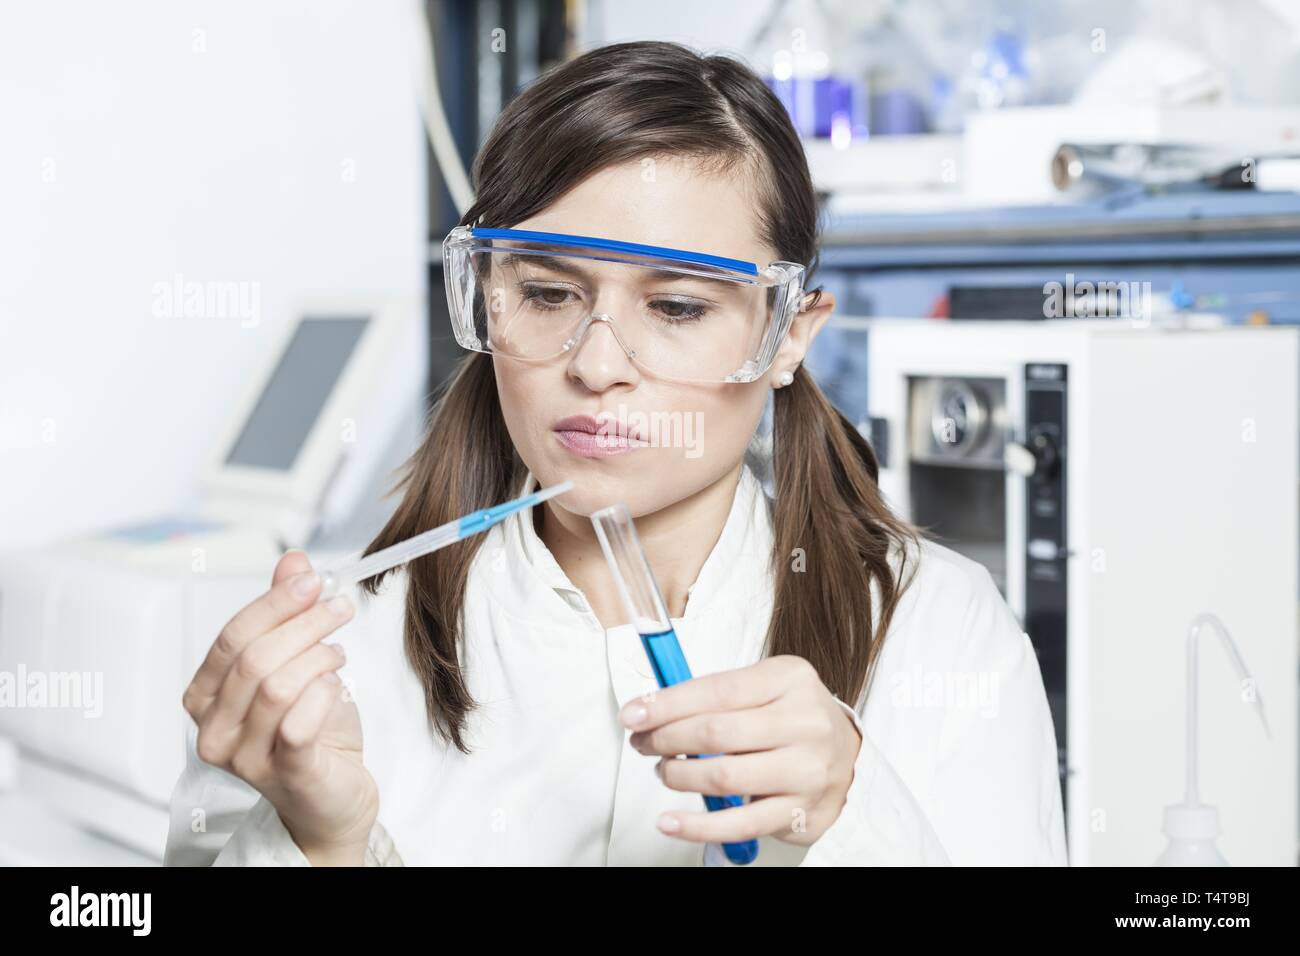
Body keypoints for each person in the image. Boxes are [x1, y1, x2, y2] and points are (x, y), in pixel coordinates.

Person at [164, 40, 1066, 867]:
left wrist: (853, 816)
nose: (596, 366)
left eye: (675, 309)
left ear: (789, 334)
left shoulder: (936, 631)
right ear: (488, 302)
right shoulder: (338, 659)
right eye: (549, 295)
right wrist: (320, 840)